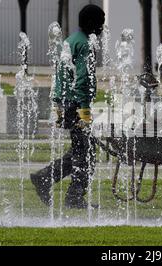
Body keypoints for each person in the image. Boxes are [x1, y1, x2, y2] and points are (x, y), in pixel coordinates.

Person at [30, 4, 105, 209]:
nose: (102, 26)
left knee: (80, 151)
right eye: (100, 21)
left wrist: (57, 104)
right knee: (86, 155)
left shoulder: (71, 40)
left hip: (65, 102)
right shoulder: (85, 45)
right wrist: (85, 115)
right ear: (91, 23)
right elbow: (81, 81)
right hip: (75, 105)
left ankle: (47, 180)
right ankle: (71, 196)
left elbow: (60, 75)